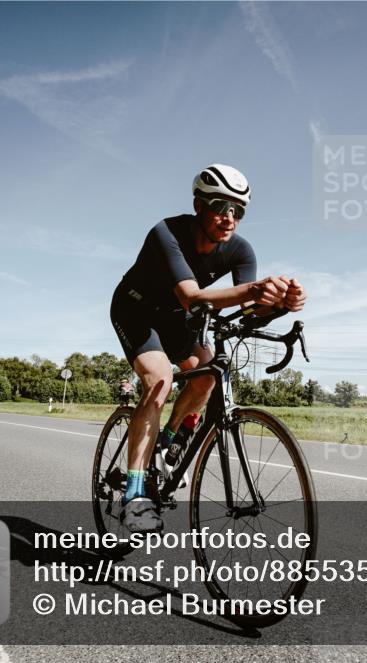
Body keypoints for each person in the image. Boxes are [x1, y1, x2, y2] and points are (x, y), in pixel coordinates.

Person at [110, 164, 305, 532]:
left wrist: (281, 304)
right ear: (199, 204)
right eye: (220, 206)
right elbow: (192, 297)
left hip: (176, 319)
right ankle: (134, 496)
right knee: (160, 380)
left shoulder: (241, 251)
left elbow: (249, 312)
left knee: (207, 378)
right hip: (136, 309)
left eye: (238, 210)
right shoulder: (166, 232)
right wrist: (253, 291)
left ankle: (166, 446)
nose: (229, 218)